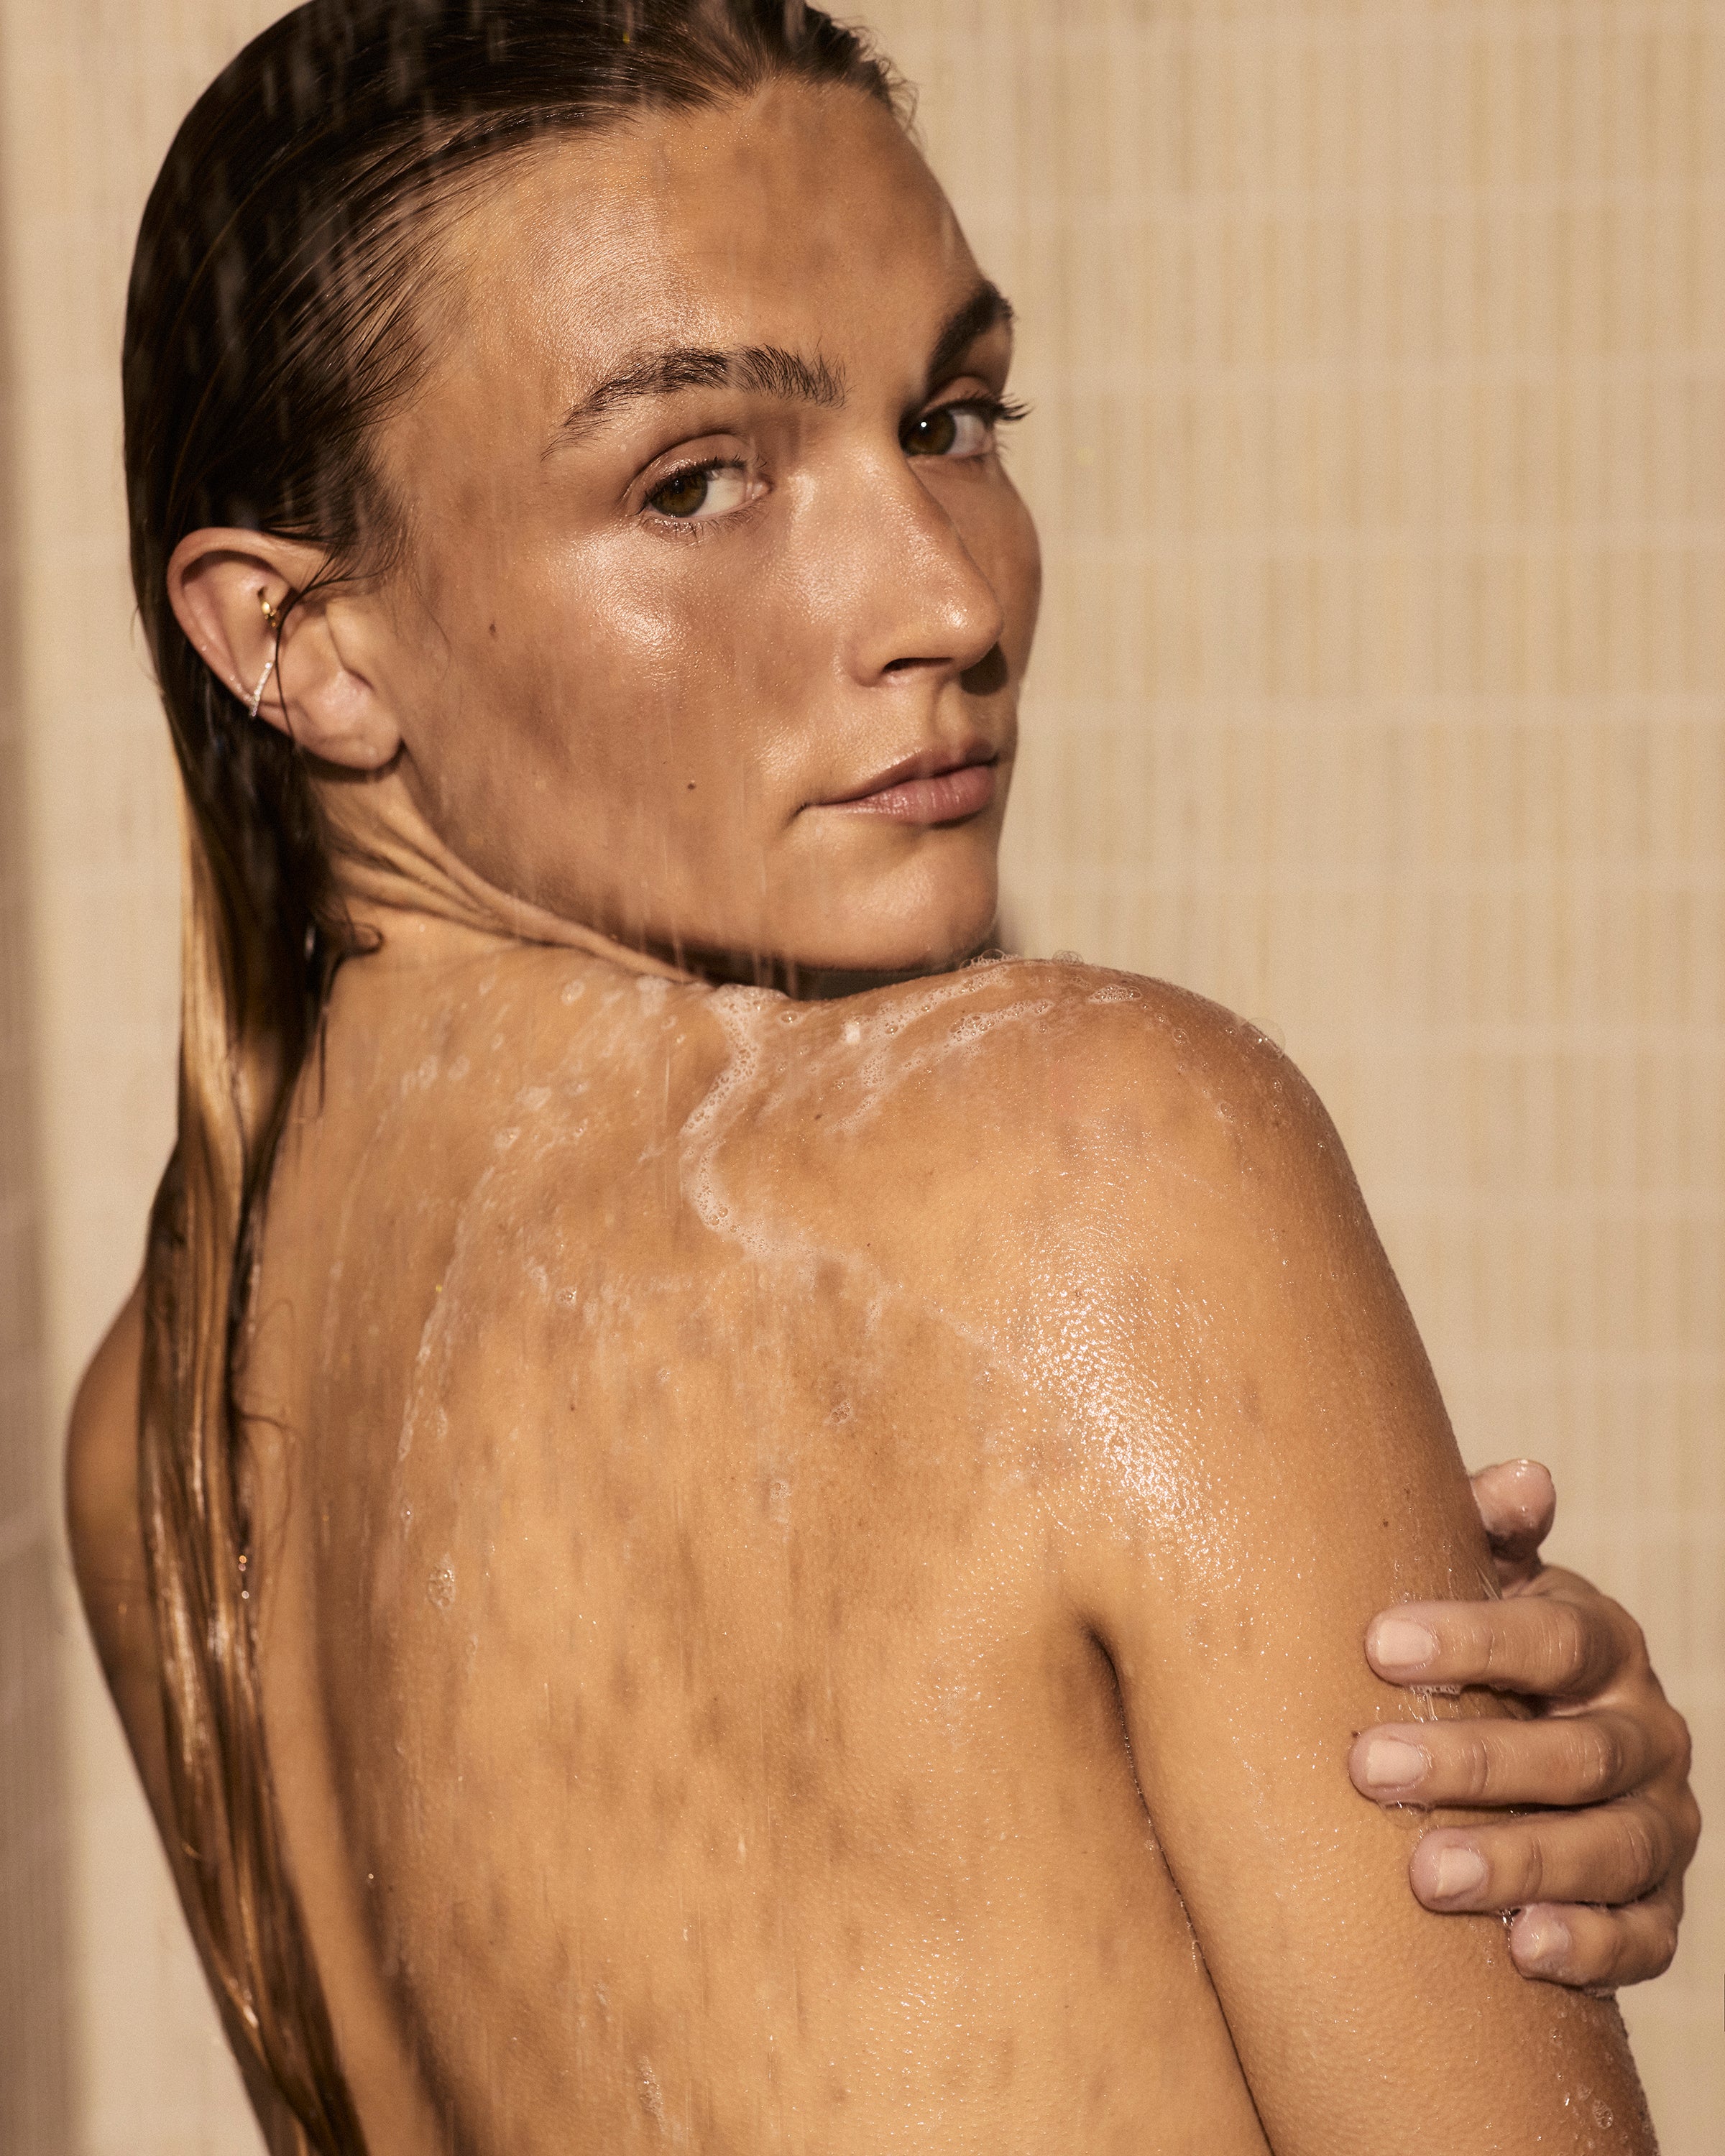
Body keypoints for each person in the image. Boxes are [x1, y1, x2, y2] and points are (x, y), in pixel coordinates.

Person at [65, 4, 1698, 2152]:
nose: (946, 596)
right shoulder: (1098, 1165)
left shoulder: (163, 1423)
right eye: (695, 481)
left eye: (949, 418)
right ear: (298, 641)